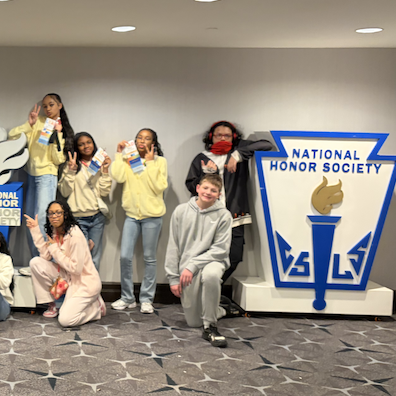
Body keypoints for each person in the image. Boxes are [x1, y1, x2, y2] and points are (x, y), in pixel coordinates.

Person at [185, 121, 274, 284]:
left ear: (233, 138)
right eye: (219, 135)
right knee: (204, 256)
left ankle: (211, 288)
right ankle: (200, 290)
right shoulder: (202, 158)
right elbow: (191, 185)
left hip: (234, 214)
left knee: (234, 256)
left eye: (227, 135)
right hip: (208, 217)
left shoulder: (239, 154)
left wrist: (237, 155)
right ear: (211, 137)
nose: (223, 138)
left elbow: (267, 145)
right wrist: (206, 175)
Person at [165, 174, 232, 348]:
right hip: (187, 266)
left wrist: (193, 265)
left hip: (213, 261)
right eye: (206, 188)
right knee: (193, 322)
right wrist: (173, 278)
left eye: (214, 190)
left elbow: (220, 250)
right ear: (198, 188)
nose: (208, 192)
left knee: (211, 275)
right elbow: (173, 245)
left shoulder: (224, 215)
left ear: (219, 194)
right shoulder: (180, 211)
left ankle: (211, 326)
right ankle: (221, 308)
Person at [110, 128, 168, 314]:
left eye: (147, 138)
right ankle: (127, 297)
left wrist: (150, 164)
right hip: (132, 216)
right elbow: (117, 177)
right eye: (139, 138)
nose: (142, 141)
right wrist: (119, 154)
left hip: (153, 216)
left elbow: (159, 187)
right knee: (125, 256)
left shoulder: (160, 162)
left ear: (153, 142)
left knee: (149, 258)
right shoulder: (129, 160)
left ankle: (146, 299)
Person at [9, 93, 74, 257]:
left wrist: (58, 134)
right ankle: (36, 262)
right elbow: (12, 136)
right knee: (31, 220)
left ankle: (45, 260)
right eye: (45, 106)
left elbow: (58, 160)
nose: (47, 108)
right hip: (31, 175)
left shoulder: (61, 128)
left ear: (60, 105)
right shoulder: (38, 122)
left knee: (45, 218)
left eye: (51, 104)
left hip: (47, 176)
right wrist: (28, 125)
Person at [26, 200, 104, 328]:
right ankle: (52, 305)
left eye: (58, 212)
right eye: (51, 213)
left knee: (65, 320)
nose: (54, 216)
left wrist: (54, 249)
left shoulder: (75, 235)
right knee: (36, 263)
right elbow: (46, 256)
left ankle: (95, 309)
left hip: (84, 283)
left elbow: (76, 269)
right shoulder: (54, 230)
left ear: (65, 214)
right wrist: (35, 230)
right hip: (67, 277)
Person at [57, 132, 112, 271]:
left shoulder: (98, 164)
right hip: (77, 219)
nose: (86, 146)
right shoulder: (71, 165)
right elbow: (64, 192)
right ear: (76, 147)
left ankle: (93, 291)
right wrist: (70, 171)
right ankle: (80, 289)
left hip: (97, 218)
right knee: (80, 257)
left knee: (94, 257)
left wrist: (105, 171)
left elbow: (104, 192)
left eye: (88, 142)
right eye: (81, 144)